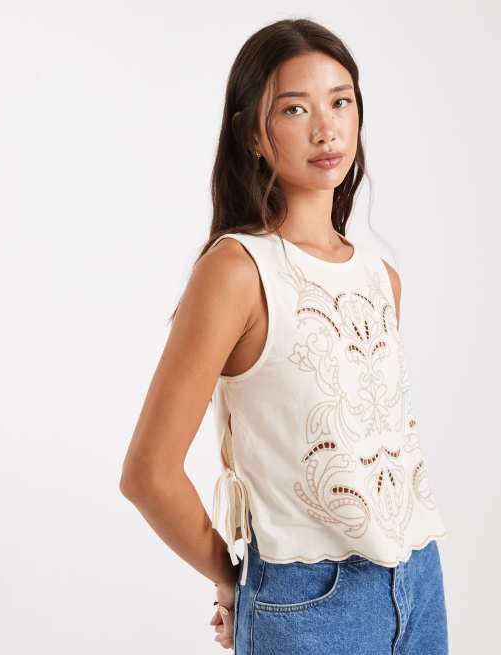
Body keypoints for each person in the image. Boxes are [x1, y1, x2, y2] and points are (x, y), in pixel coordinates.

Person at [119, 17, 449, 654]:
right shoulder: (237, 271)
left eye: (341, 102)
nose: (326, 130)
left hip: (420, 580)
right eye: (295, 109)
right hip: (309, 602)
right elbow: (148, 473)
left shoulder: (382, 278)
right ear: (251, 133)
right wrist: (235, 581)